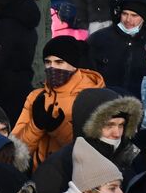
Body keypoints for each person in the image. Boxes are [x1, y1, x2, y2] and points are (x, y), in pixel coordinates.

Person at [13, 36, 106, 166]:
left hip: (75, 175)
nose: (52, 68)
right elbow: (15, 154)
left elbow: (93, 151)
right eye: (48, 62)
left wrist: (58, 129)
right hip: (39, 174)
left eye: (59, 62)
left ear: (74, 65)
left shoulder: (92, 96)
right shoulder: (36, 97)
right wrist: (35, 127)